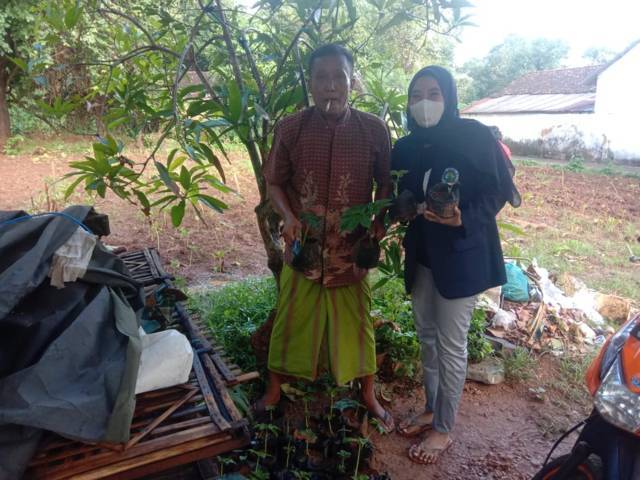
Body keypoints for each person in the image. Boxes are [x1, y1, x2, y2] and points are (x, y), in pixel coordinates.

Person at [258, 43, 394, 432]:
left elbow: (385, 182)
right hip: (305, 248)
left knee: (358, 324)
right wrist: (288, 217)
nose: (331, 86)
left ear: (353, 81)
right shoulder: (291, 128)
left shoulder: (374, 130)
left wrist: (377, 221)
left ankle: (367, 393)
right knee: (291, 320)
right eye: (322, 78)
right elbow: (274, 183)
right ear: (310, 83)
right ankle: (274, 390)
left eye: (339, 77)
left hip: (351, 252)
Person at [391, 66, 520, 463]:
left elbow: (501, 188)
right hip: (423, 256)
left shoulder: (474, 137)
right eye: (415, 96)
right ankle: (431, 408)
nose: (423, 103)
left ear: (448, 97)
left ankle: (444, 429)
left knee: (450, 345)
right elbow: (399, 189)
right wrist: (404, 205)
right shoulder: (407, 146)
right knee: (427, 337)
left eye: (433, 93)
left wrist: (465, 216)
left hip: (462, 257)